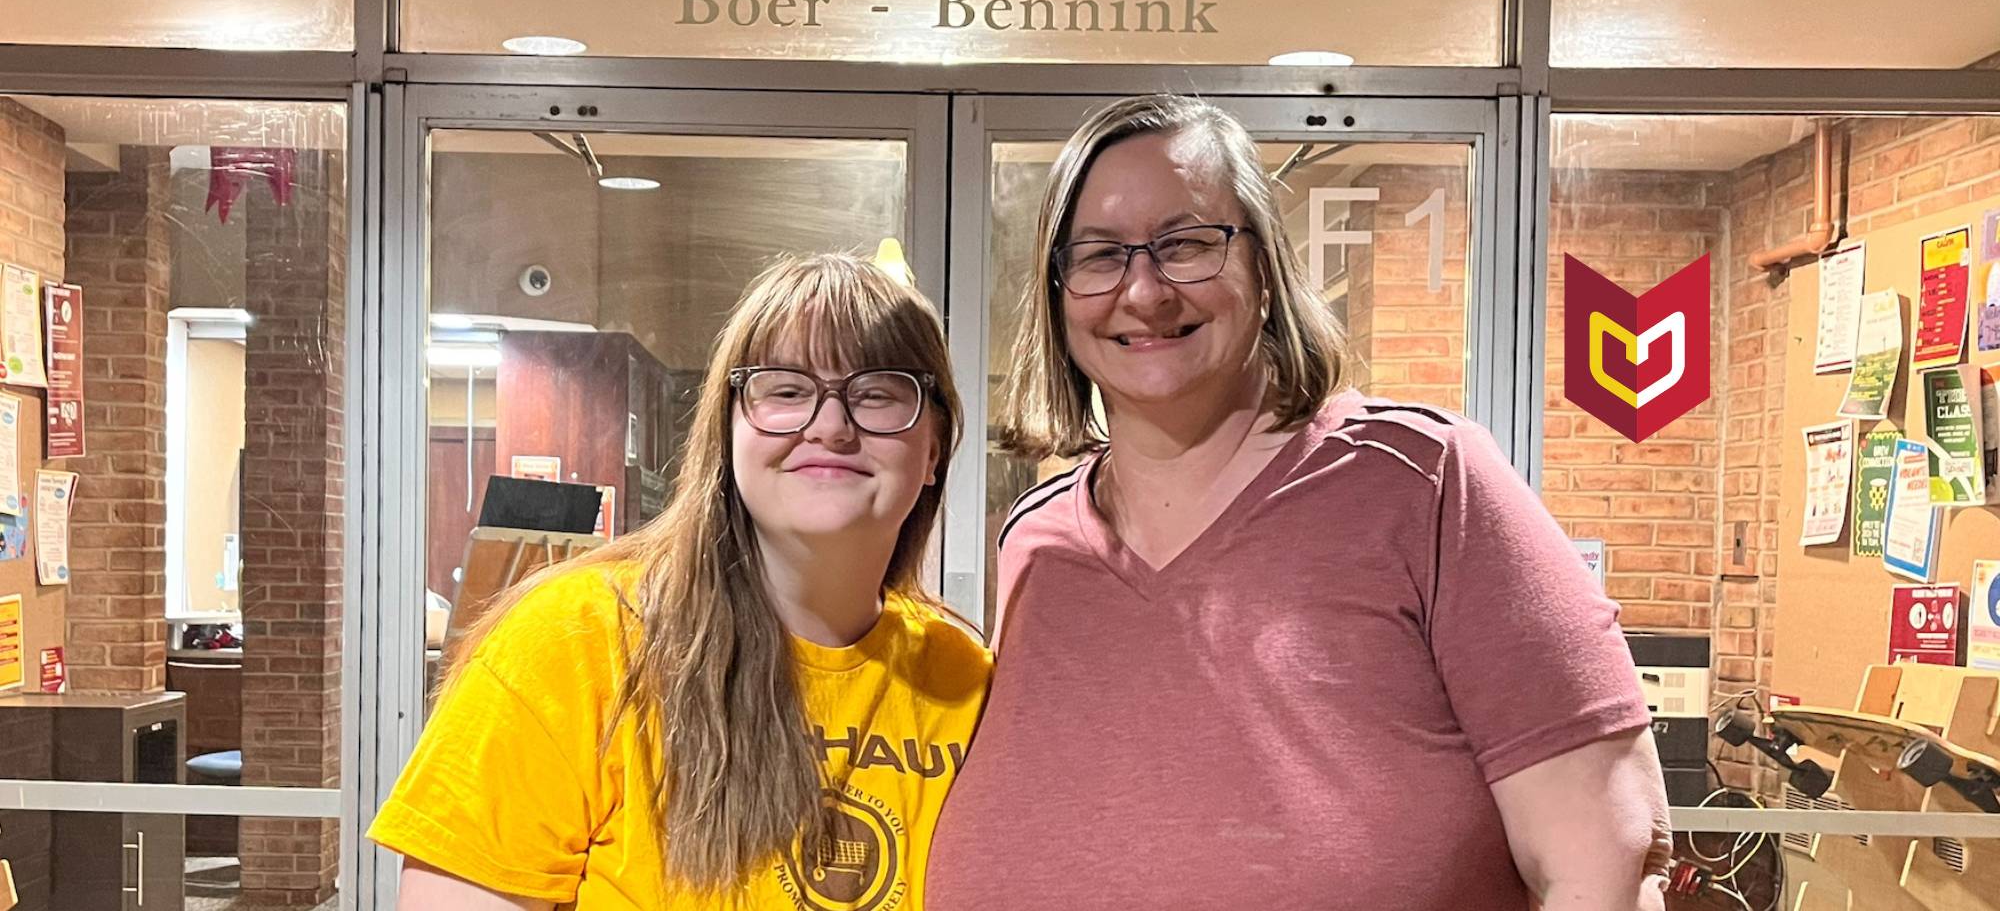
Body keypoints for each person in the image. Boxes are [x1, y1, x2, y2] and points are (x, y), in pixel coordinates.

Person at [927, 94, 1671, 910]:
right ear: (1057, 292)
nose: (1143, 291)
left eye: (1186, 244)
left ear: (1264, 268)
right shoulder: (1037, 541)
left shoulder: (1427, 485)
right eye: (1100, 255)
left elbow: (1605, 861)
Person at [371, 253, 990, 910]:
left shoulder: (967, 683)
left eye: (878, 394)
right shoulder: (575, 644)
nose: (831, 426)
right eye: (786, 391)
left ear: (933, 451)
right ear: (728, 432)